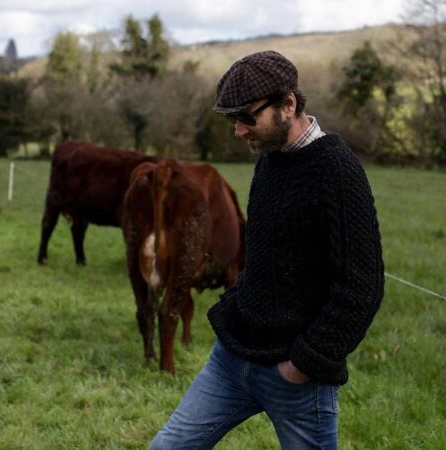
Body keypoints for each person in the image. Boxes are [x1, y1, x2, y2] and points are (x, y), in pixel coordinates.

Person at [149, 50, 385, 449]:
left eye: (246, 117)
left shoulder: (337, 170)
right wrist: (236, 304)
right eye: (232, 120)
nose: (238, 131)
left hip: (295, 375)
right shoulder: (270, 159)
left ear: (288, 105)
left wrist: (304, 364)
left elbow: (363, 286)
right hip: (232, 357)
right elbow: (262, 257)